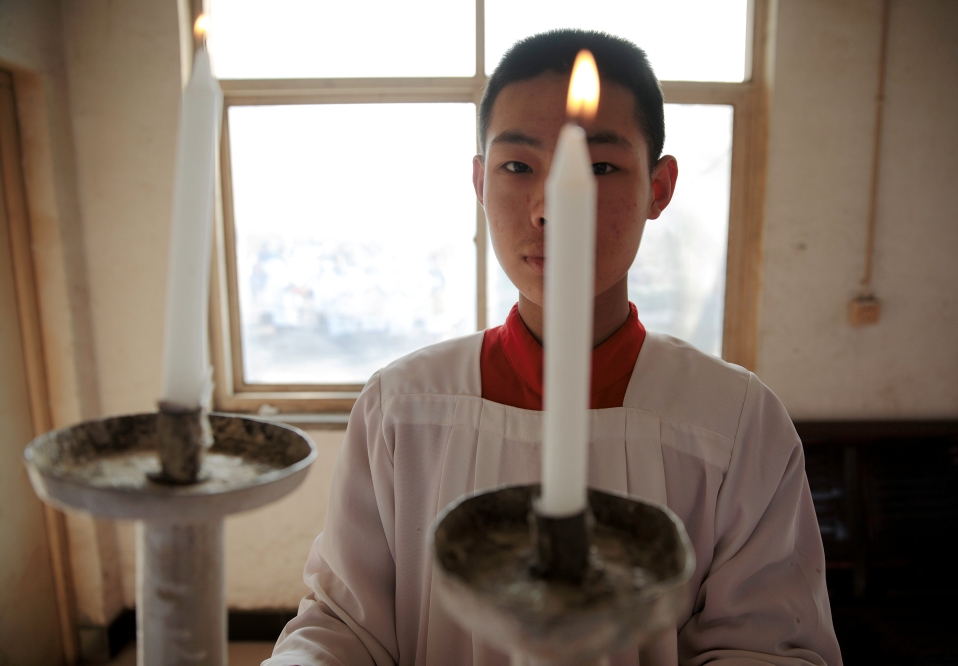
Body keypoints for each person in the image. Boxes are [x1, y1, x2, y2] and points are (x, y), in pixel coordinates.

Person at [267, 30, 842, 666]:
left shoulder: (733, 421)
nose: (550, 209)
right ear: (480, 182)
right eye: (516, 167)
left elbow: (767, 645)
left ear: (659, 186)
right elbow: (347, 625)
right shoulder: (403, 407)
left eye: (601, 167)